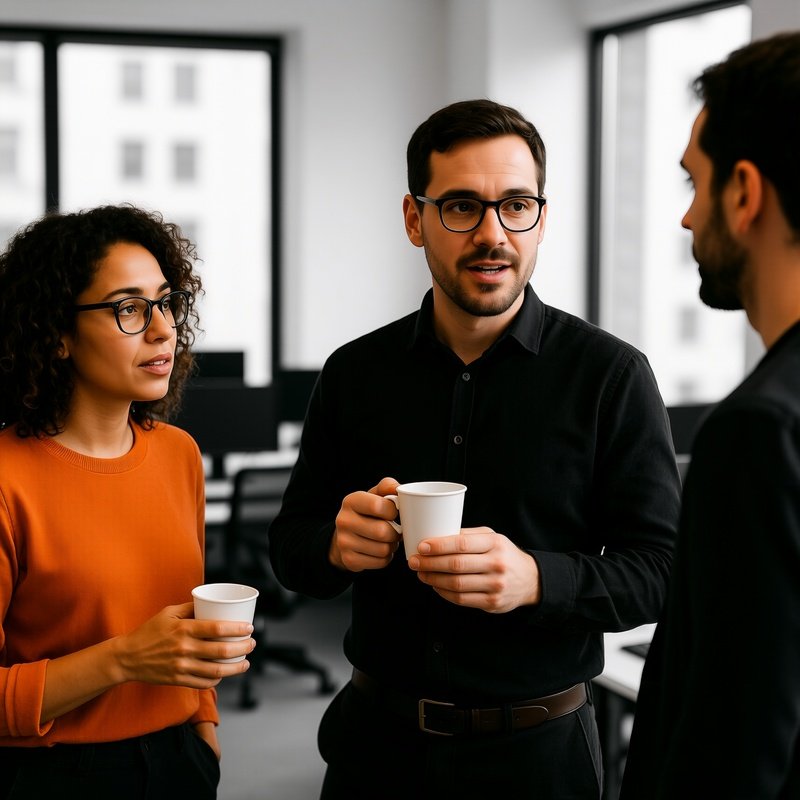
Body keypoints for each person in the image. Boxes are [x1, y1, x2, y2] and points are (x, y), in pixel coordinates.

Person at [269, 99, 681, 799]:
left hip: (539, 761)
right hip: (376, 753)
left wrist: (537, 579)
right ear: (413, 218)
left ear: (542, 219)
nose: (493, 234)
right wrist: (335, 547)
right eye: (461, 206)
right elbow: (290, 550)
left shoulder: (612, 376)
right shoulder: (355, 372)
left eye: (516, 205)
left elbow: (663, 571)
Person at [0, 205, 255, 799]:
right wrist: (122, 660)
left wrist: (202, 724)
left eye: (165, 303)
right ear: (56, 334)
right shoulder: (8, 477)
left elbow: (185, 625)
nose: (163, 328)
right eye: (128, 309)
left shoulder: (178, 454)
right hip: (51, 776)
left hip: (178, 765)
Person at [620, 31, 800, 799]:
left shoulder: (758, 431)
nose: (689, 219)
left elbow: (737, 738)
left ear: (745, 192)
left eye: (696, 184)